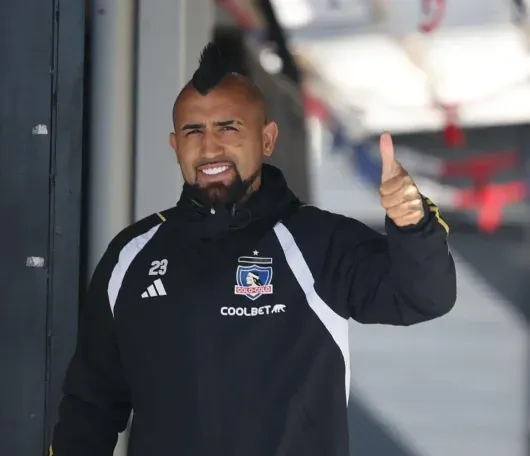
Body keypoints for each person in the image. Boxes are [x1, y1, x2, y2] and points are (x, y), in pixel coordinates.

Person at [51, 41, 457, 456]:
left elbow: (423, 298)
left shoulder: (316, 241)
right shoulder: (132, 255)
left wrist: (413, 224)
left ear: (267, 140)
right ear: (175, 146)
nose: (210, 148)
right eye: (194, 131)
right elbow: (91, 405)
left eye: (228, 128)